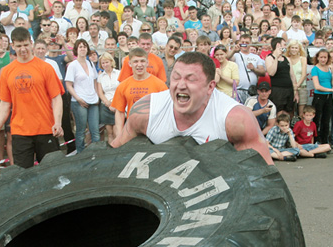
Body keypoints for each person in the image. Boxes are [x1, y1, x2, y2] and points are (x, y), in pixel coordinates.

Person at [111, 52, 272, 165]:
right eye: (176, 77)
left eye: (191, 79)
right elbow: (112, 159)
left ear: (210, 87)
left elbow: (265, 177)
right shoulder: (146, 112)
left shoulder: (236, 119)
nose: (181, 85)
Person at [0, 27, 64, 168]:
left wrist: (57, 123)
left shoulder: (45, 68)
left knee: (52, 174)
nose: (23, 49)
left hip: (46, 129)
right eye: (19, 46)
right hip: (20, 132)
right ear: (12, 46)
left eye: (26, 45)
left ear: (31, 44)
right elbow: (4, 103)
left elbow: (56, 98)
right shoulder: (7, 71)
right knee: (23, 175)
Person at [111, 47, 168, 137]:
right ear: (130, 63)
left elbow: (166, 111)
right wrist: (120, 135)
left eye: (142, 61)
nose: (139, 65)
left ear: (147, 63)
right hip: (132, 130)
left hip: (153, 131)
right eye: (135, 61)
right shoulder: (123, 85)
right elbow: (119, 112)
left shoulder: (160, 85)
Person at [65, 38, 100, 153]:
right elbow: (68, 84)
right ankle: (80, 154)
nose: (83, 49)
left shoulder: (90, 63)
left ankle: (97, 154)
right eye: (80, 46)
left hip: (93, 100)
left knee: (95, 130)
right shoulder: (73, 65)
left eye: (84, 46)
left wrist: (97, 96)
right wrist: (78, 98)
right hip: (79, 100)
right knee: (81, 131)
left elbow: (95, 80)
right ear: (76, 49)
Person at [96, 51, 120, 143]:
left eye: (107, 62)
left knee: (117, 132)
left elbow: (121, 89)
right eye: (103, 63)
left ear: (111, 61)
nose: (105, 64)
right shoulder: (100, 77)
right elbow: (100, 92)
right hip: (106, 106)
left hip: (118, 105)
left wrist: (115, 103)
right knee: (109, 133)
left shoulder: (119, 73)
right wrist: (107, 103)